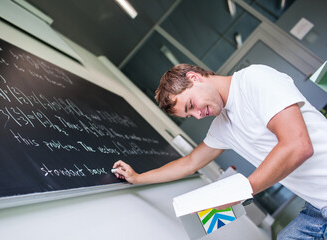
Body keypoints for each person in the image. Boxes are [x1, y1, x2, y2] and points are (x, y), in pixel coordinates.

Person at [113, 64, 327, 239]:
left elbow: (297, 145)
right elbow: (189, 163)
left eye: (191, 105)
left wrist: (240, 193)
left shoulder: (255, 79)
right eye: (189, 116)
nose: (198, 115)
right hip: (317, 206)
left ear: (194, 77)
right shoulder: (222, 126)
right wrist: (138, 178)